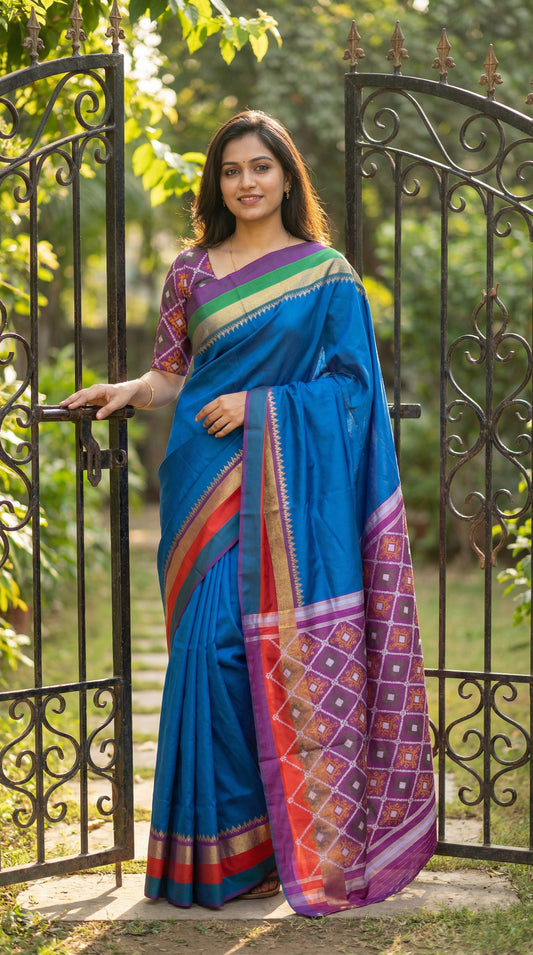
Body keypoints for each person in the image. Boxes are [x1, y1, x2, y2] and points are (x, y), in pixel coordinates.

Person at [61, 110, 436, 915]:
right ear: (215, 183)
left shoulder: (325, 273)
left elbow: (349, 391)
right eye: (231, 170)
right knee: (206, 649)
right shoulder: (190, 273)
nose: (246, 182)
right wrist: (130, 390)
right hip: (202, 482)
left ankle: (276, 843)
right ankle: (215, 855)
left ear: (286, 177)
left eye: (260, 167)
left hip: (287, 492)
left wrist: (260, 404)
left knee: (258, 649)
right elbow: (171, 373)